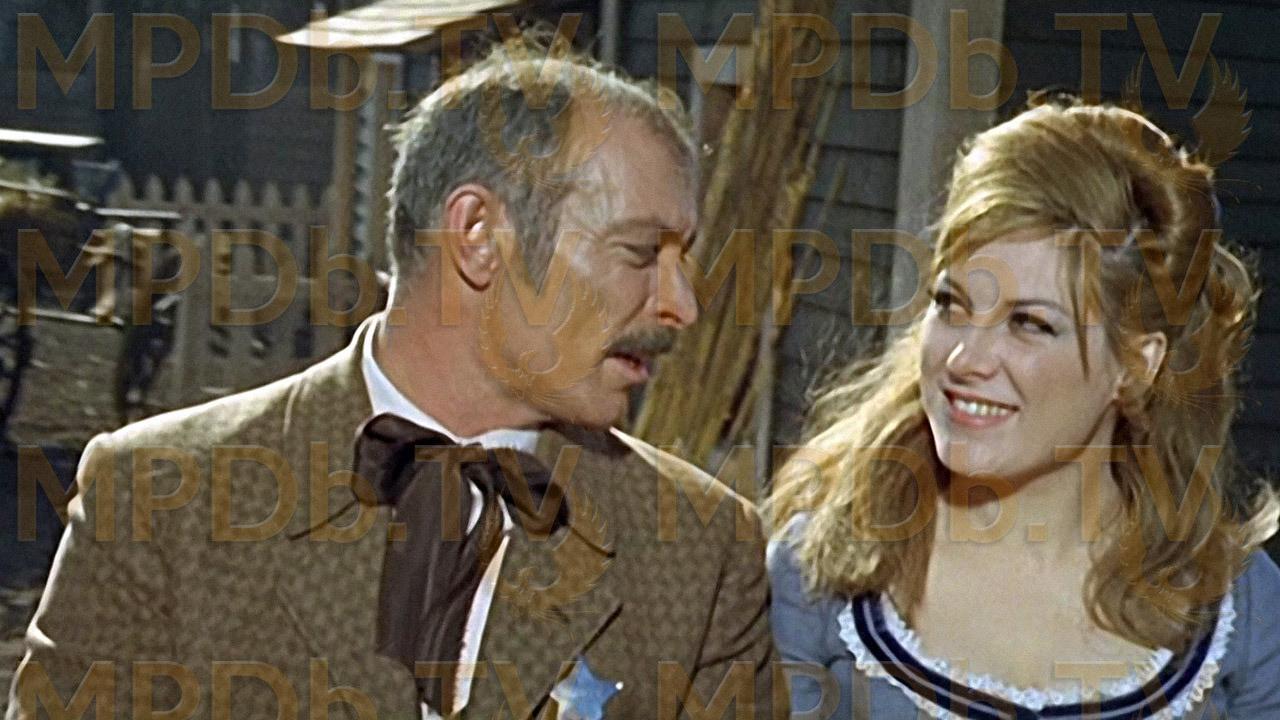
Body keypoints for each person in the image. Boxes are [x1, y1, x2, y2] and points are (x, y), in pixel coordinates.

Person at [8, 40, 777, 719]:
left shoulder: (701, 551)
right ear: (479, 236)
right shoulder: (159, 499)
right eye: (641, 253)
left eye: (683, 259)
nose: (682, 306)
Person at [766, 97, 1280, 720]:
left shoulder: (1242, 610)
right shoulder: (819, 575)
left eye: (1030, 324)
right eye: (951, 305)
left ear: (1136, 365)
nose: (965, 359)